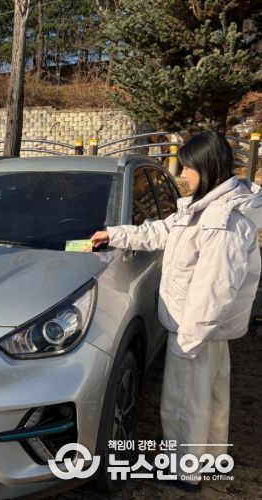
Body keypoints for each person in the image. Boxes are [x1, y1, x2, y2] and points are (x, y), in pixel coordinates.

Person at [90, 130, 262, 492]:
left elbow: (215, 290)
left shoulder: (221, 221)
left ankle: (183, 472)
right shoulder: (204, 209)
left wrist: (189, 340)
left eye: (187, 168)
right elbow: (161, 232)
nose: (182, 175)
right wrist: (114, 235)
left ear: (206, 167)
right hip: (205, 331)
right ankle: (207, 460)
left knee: (185, 402)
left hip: (194, 329)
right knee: (208, 399)